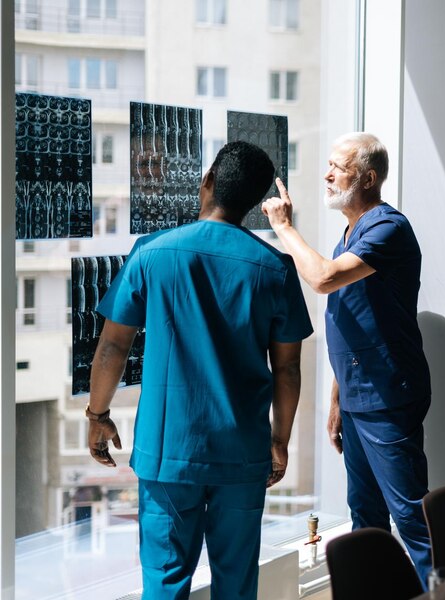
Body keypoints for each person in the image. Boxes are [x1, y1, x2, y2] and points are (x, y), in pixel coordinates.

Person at [86, 141, 313, 599]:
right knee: (236, 583)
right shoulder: (275, 269)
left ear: (207, 181)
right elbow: (287, 371)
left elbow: (112, 345)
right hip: (243, 451)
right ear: (254, 203)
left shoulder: (151, 253)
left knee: (166, 584)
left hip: (170, 450)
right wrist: (279, 440)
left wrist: (97, 414)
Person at [262, 132, 432, 585]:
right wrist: (338, 399)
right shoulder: (350, 236)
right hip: (359, 398)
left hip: (387, 396)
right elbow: (354, 320)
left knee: (412, 518)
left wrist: (284, 228)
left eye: (339, 166)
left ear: (368, 178)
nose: (327, 173)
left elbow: (321, 279)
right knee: (366, 516)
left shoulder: (387, 228)